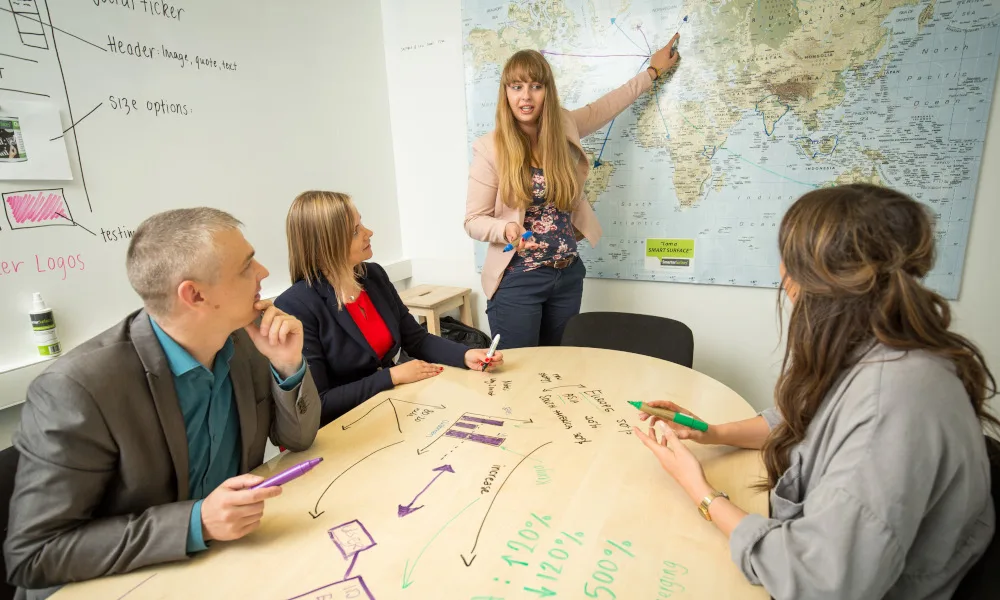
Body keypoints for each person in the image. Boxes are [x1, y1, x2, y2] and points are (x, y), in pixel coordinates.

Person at [634, 184, 996, 600]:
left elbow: (816, 578)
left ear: (818, 281)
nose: (782, 276)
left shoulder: (893, 403)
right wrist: (711, 431)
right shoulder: (887, 348)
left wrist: (701, 492)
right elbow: (807, 419)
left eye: (787, 261)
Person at [4, 208, 321, 600]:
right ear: (195, 295)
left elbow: (299, 439)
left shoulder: (243, 340)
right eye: (245, 267)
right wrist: (195, 522)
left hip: (222, 564)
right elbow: (34, 555)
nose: (263, 271)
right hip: (116, 584)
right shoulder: (76, 389)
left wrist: (288, 365)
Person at [464, 35, 681, 349]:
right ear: (506, 92)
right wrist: (506, 228)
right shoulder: (490, 149)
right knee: (519, 376)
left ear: (547, 91)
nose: (526, 97)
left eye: (535, 86)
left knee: (560, 373)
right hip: (519, 279)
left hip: (567, 276)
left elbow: (607, 106)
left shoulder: (563, 126)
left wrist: (651, 73)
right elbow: (472, 220)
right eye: (517, 87)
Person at [275, 191, 503, 427]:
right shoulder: (296, 306)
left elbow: (416, 339)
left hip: (397, 406)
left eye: (361, 222)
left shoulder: (373, 276)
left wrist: (465, 355)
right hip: (349, 426)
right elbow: (320, 403)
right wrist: (392, 376)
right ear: (326, 245)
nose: (368, 232)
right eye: (356, 231)